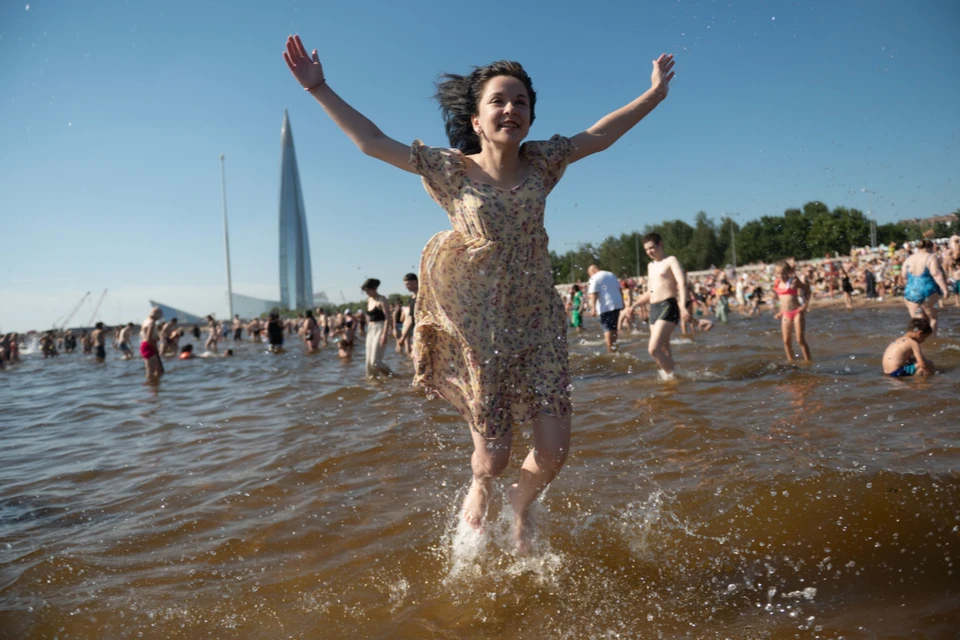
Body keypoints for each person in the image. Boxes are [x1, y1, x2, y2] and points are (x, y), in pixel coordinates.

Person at [284, 34, 674, 552]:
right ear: (475, 120)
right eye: (499, 100)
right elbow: (373, 142)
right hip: (481, 326)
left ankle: (521, 503)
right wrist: (319, 89)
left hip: (539, 321)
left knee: (555, 452)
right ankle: (482, 482)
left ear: (530, 116)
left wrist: (653, 95)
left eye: (521, 101)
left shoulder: (544, 163)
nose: (511, 108)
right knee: (493, 455)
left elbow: (600, 134)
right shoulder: (451, 170)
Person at [630, 233, 690, 377]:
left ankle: (674, 377)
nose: (649, 252)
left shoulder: (670, 260)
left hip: (668, 306)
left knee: (653, 349)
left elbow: (681, 283)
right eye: (646, 249)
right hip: (654, 309)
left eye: (652, 248)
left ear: (660, 244)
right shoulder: (650, 266)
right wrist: (633, 305)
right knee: (663, 349)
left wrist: (682, 306)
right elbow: (650, 291)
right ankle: (672, 386)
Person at [902, 239, 950, 337]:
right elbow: (936, 274)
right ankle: (932, 343)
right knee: (933, 318)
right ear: (931, 247)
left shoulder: (909, 259)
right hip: (928, 291)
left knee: (918, 321)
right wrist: (945, 289)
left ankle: (916, 343)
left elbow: (904, 276)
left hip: (911, 293)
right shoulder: (931, 257)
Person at [773, 261, 812, 362]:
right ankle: (791, 361)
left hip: (797, 312)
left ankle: (808, 361)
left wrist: (805, 305)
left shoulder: (793, 280)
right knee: (786, 341)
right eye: (778, 273)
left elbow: (807, 290)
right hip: (786, 314)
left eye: (783, 273)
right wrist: (780, 312)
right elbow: (783, 300)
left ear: (788, 272)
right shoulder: (777, 283)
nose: (781, 275)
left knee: (800, 339)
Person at [587, 265, 625, 352]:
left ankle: (610, 348)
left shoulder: (595, 277)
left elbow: (593, 293)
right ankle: (614, 345)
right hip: (617, 303)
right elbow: (620, 289)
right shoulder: (611, 274)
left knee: (607, 328)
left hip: (606, 305)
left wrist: (593, 308)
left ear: (592, 272)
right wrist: (622, 302)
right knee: (614, 327)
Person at [361, 278, 393, 377]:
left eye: (368, 291)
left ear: (374, 288)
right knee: (368, 363)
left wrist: (384, 334)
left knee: (375, 361)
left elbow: (388, 318)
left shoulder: (382, 299)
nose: (367, 293)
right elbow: (368, 317)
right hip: (370, 329)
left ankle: (393, 376)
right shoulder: (369, 300)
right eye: (365, 291)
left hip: (380, 328)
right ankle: (372, 382)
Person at [397, 273, 418, 357]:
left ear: (416, 282)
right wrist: (403, 337)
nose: (407, 286)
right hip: (415, 331)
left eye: (408, 284)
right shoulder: (411, 299)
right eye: (405, 285)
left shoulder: (423, 295)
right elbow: (410, 319)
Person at [140, 306, 164, 378]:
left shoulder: (146, 321)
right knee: (151, 371)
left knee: (157, 370)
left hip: (146, 345)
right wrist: (155, 348)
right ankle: (151, 386)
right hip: (149, 346)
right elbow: (148, 338)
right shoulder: (151, 322)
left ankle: (155, 386)